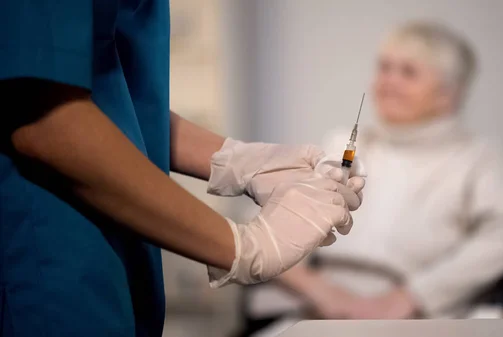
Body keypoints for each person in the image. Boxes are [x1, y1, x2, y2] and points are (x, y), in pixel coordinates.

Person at [0, 2, 366, 337]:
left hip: (110, 254)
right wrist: (243, 246)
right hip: (50, 256)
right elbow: (44, 118)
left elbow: (113, 99)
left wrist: (238, 159)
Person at [239, 21, 503, 334]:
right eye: (384, 68)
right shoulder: (342, 145)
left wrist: (410, 298)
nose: (388, 82)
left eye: (408, 72)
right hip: (315, 312)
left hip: (416, 321)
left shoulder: (478, 157)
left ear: (448, 93)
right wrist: (321, 292)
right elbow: (263, 225)